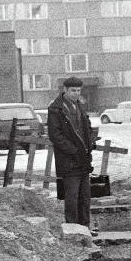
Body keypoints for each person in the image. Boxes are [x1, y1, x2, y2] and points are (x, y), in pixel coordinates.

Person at [47, 76, 95, 227]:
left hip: (83, 159)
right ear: (65, 90)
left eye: (78, 91)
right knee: (72, 196)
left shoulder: (79, 106)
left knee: (85, 196)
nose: (76, 93)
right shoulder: (56, 109)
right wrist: (73, 150)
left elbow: (87, 127)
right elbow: (55, 135)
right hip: (69, 160)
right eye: (73, 90)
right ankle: (73, 228)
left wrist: (91, 142)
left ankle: (85, 226)